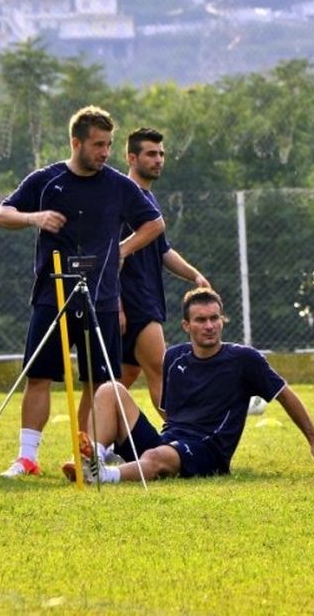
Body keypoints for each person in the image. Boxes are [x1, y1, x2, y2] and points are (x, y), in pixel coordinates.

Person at [0, 106, 165, 478]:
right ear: (77, 142)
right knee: (39, 376)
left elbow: (154, 223)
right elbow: (1, 214)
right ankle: (27, 458)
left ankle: (88, 452)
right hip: (51, 296)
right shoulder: (47, 180)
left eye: (109, 144)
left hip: (101, 298)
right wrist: (33, 218)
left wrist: (122, 249)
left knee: (100, 381)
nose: (105, 152)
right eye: (98, 144)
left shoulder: (120, 185)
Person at [62, 288, 314, 483]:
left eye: (214, 318)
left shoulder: (244, 359)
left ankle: (103, 477)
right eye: (201, 320)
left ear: (222, 320)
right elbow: (169, 413)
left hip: (209, 452)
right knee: (111, 390)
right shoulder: (173, 357)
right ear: (186, 325)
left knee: (157, 455)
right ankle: (93, 460)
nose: (209, 326)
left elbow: (285, 395)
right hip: (169, 443)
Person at [119, 128, 209, 416]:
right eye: (151, 154)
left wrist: (195, 276)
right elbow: (110, 257)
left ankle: (94, 445)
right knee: (160, 369)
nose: (158, 160)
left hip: (146, 299)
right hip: (135, 301)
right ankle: (182, 438)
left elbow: (163, 252)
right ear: (131, 158)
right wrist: (116, 303)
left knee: (122, 379)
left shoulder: (148, 199)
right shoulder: (122, 200)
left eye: (161, 154)